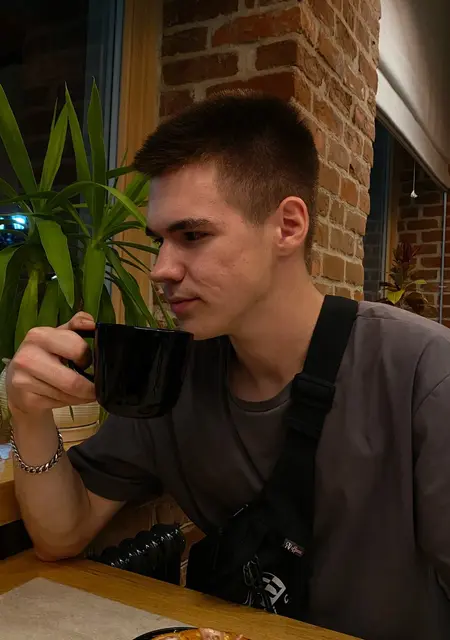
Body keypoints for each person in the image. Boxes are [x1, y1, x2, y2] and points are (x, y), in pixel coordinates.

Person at [6, 90, 450, 640]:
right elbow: (61, 534)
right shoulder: (174, 374)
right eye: (159, 240)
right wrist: (29, 413)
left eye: (192, 235)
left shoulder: (423, 372)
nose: (161, 269)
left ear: (288, 226)